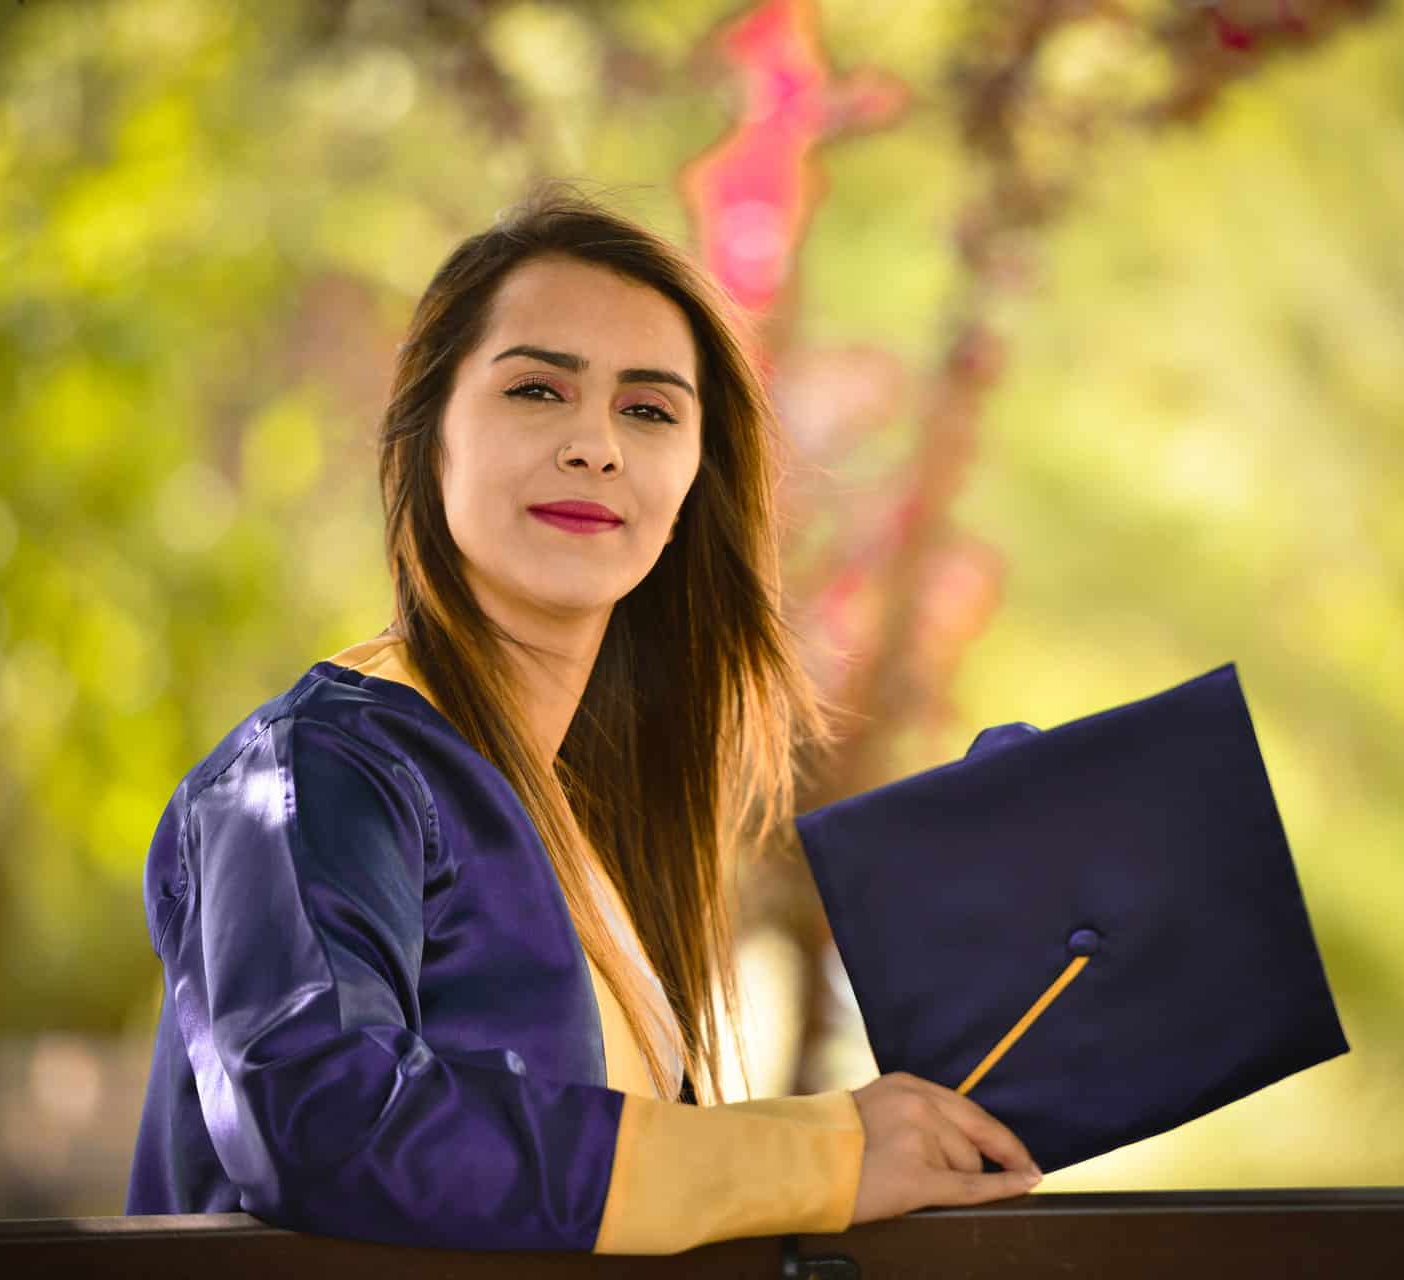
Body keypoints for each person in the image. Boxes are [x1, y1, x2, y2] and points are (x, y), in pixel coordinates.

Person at [123, 185, 1040, 1254]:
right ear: (430, 438)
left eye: (648, 410)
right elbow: (324, 1122)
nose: (596, 445)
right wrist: (819, 1153)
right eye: (536, 391)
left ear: (695, 477)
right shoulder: (322, 768)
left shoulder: (589, 822)